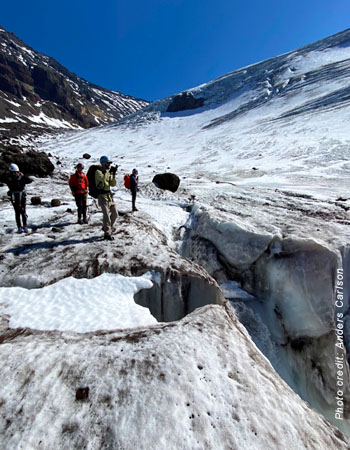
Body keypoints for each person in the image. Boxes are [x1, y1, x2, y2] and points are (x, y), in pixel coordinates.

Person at [95, 156, 118, 240]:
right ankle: (107, 233)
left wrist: (113, 174)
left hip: (109, 196)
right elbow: (102, 180)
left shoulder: (108, 173)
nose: (109, 165)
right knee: (106, 215)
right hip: (102, 197)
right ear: (103, 163)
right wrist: (108, 172)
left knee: (115, 213)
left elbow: (113, 184)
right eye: (108, 163)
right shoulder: (98, 172)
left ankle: (108, 228)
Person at [6, 163, 32, 233]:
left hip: (14, 197)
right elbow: (29, 180)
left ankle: (20, 227)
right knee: (23, 211)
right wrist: (22, 176)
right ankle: (25, 226)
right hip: (21, 196)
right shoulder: (20, 178)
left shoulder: (9, 178)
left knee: (17, 212)